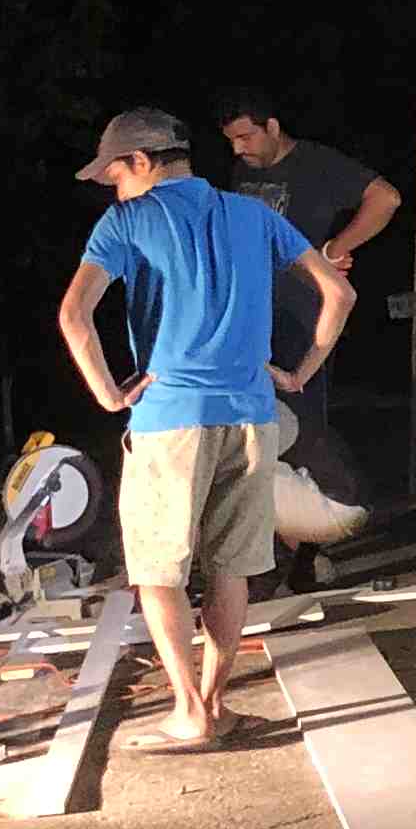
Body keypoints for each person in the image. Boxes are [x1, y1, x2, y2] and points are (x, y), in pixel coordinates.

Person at [54, 107, 354, 748]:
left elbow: (75, 315)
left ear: (141, 162)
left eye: (115, 176)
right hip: (251, 415)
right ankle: (216, 704)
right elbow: (340, 293)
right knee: (231, 568)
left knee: (157, 570)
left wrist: (109, 395)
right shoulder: (253, 215)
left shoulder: (127, 222)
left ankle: (190, 711)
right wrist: (300, 371)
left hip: (171, 420)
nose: (114, 190)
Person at [215, 90, 401, 536]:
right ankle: (283, 539)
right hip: (251, 319)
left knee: (300, 426)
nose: (238, 149)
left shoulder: (316, 164)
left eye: (245, 136)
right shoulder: (244, 170)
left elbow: (386, 198)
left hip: (300, 320)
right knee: (256, 430)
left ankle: (324, 527)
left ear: (273, 127)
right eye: (231, 140)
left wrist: (335, 248)